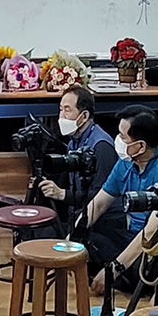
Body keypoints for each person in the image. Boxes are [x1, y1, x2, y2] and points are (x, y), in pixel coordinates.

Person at [79, 106, 158, 290]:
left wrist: (115, 268)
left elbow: (152, 232)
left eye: (122, 137)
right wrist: (71, 240)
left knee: (143, 270)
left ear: (141, 146)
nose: (117, 140)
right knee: (85, 234)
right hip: (133, 235)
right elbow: (99, 204)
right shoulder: (125, 163)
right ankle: (119, 275)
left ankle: (120, 276)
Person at [27, 84, 118, 228]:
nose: (62, 116)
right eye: (61, 109)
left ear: (84, 116)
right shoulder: (73, 141)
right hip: (75, 213)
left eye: (67, 110)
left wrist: (62, 194)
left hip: (98, 221)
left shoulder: (102, 147)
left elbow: (99, 198)